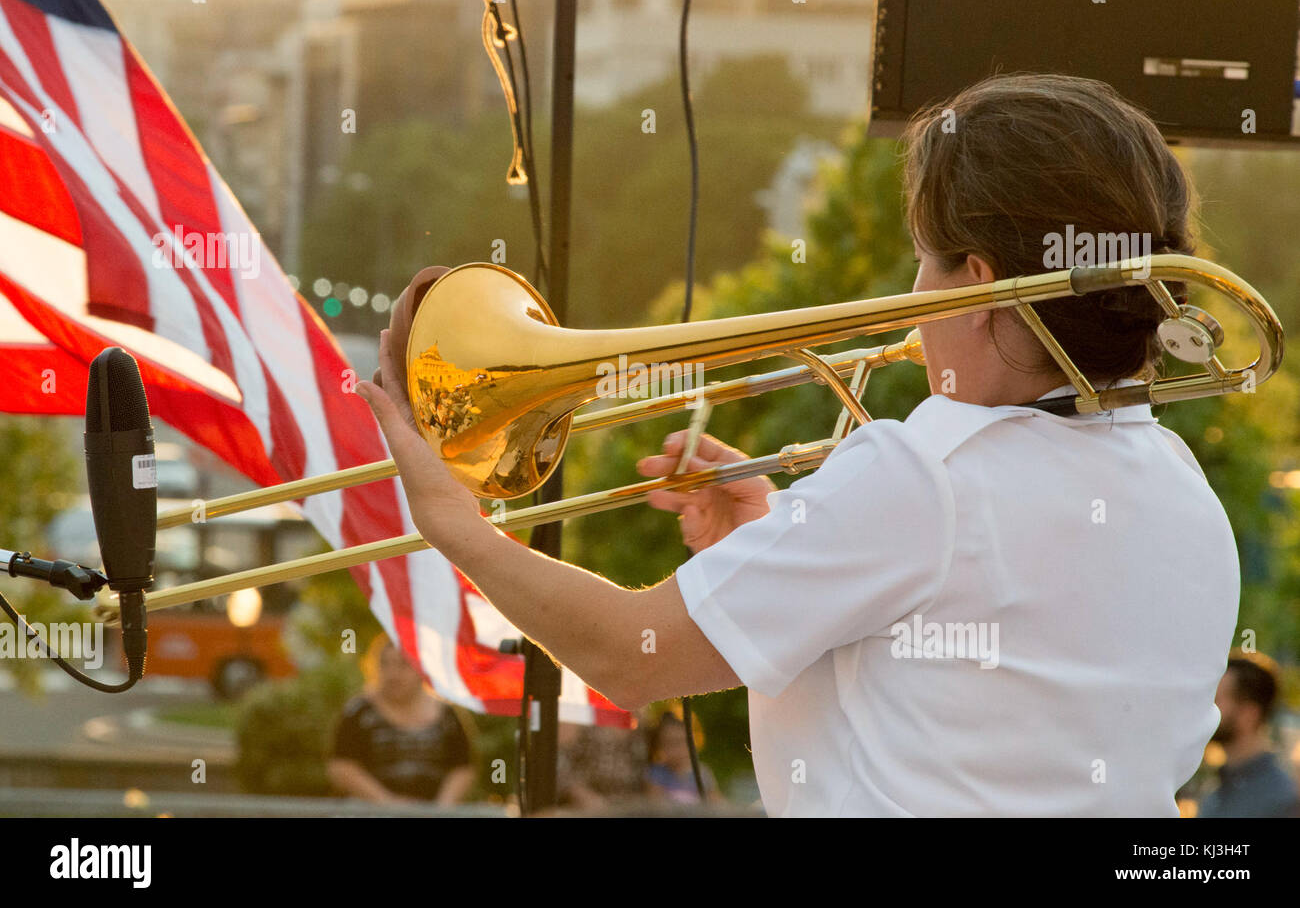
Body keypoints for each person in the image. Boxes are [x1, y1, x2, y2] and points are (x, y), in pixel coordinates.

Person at [357, 73, 1242, 816]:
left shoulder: (923, 473)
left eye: (925, 259)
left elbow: (629, 657)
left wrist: (454, 522)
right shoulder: (1182, 486)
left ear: (975, 286)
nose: (912, 292)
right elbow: (957, 691)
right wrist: (765, 544)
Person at [328, 635, 476, 806]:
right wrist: (389, 804)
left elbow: (462, 766)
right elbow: (341, 766)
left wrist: (441, 809)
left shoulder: (447, 715)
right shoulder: (358, 713)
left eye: (403, 664)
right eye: (385, 664)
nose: (393, 674)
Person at [1198, 651, 1300, 817]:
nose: (1208, 710)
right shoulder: (1216, 788)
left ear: (1249, 714)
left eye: (1217, 700)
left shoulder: (1282, 798)